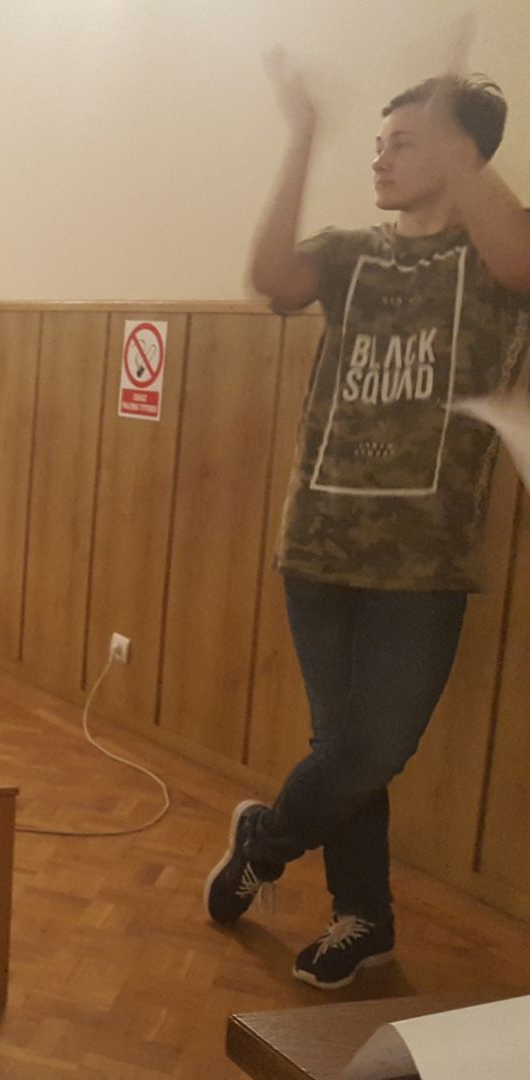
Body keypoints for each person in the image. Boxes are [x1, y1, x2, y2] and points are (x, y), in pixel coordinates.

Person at [207, 62, 530, 990]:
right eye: (378, 144)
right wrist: (304, 134)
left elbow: (520, 263)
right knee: (346, 750)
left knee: (371, 749)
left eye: (405, 143)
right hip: (318, 545)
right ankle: (366, 918)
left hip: (425, 563)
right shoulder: (352, 253)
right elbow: (269, 276)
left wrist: (459, 142)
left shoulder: (496, 257)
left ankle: (264, 845)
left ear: (462, 151)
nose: (381, 159)